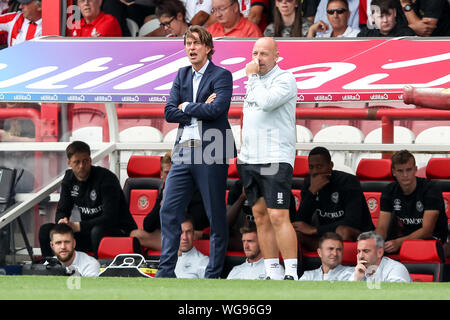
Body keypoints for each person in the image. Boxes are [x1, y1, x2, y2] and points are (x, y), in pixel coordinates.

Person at [156, 26, 236, 279]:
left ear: (208, 48)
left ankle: (212, 274)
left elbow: (217, 110)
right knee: (168, 209)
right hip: (183, 151)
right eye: (188, 43)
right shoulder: (181, 74)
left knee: (215, 214)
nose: (191, 48)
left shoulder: (222, 75)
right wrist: (198, 107)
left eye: (197, 43)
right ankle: (165, 272)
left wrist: (187, 106)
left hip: (212, 149)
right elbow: (169, 112)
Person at [238, 37, 299, 280]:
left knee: (278, 214)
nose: (258, 59)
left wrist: (252, 77)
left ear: (276, 56)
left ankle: (292, 272)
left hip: (275, 156)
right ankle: (272, 271)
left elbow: (266, 103)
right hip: (250, 157)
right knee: (260, 215)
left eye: (264, 54)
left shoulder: (285, 79)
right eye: (255, 53)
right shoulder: (253, 83)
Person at [39, 141, 137, 258]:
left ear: (90, 160)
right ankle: (50, 267)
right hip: (89, 233)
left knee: (97, 231)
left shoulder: (106, 178)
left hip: (118, 232)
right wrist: (62, 221)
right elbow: (62, 210)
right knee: (46, 230)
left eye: (85, 161)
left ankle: (97, 270)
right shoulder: (69, 179)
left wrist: (78, 226)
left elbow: (110, 217)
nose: (81, 166)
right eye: (77, 162)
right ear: (69, 163)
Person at [293, 146, 375, 251]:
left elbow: (352, 221)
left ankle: (330, 252)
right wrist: (311, 193)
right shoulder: (309, 183)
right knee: (294, 234)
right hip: (326, 235)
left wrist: (315, 230)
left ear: (330, 166)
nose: (315, 172)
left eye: (319, 166)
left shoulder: (348, 181)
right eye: (311, 167)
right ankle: (324, 253)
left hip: (357, 235)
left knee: (343, 231)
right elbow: (301, 222)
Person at [130, 152, 210, 250]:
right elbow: (148, 226)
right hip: (170, 237)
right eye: (167, 173)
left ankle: (176, 252)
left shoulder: (196, 190)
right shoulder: (164, 191)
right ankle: (175, 251)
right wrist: (164, 202)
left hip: (190, 237)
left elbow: (195, 224)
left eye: (175, 173)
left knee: (189, 233)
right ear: (161, 174)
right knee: (136, 235)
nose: (171, 177)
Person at [376, 150, 448, 254]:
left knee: (413, 248)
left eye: (408, 170)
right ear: (394, 172)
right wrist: (377, 243)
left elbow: (427, 231)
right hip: (402, 240)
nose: (405, 175)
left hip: (431, 240)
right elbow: (382, 228)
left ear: (415, 169)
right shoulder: (389, 190)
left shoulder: (431, 189)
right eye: (400, 171)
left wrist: (399, 242)